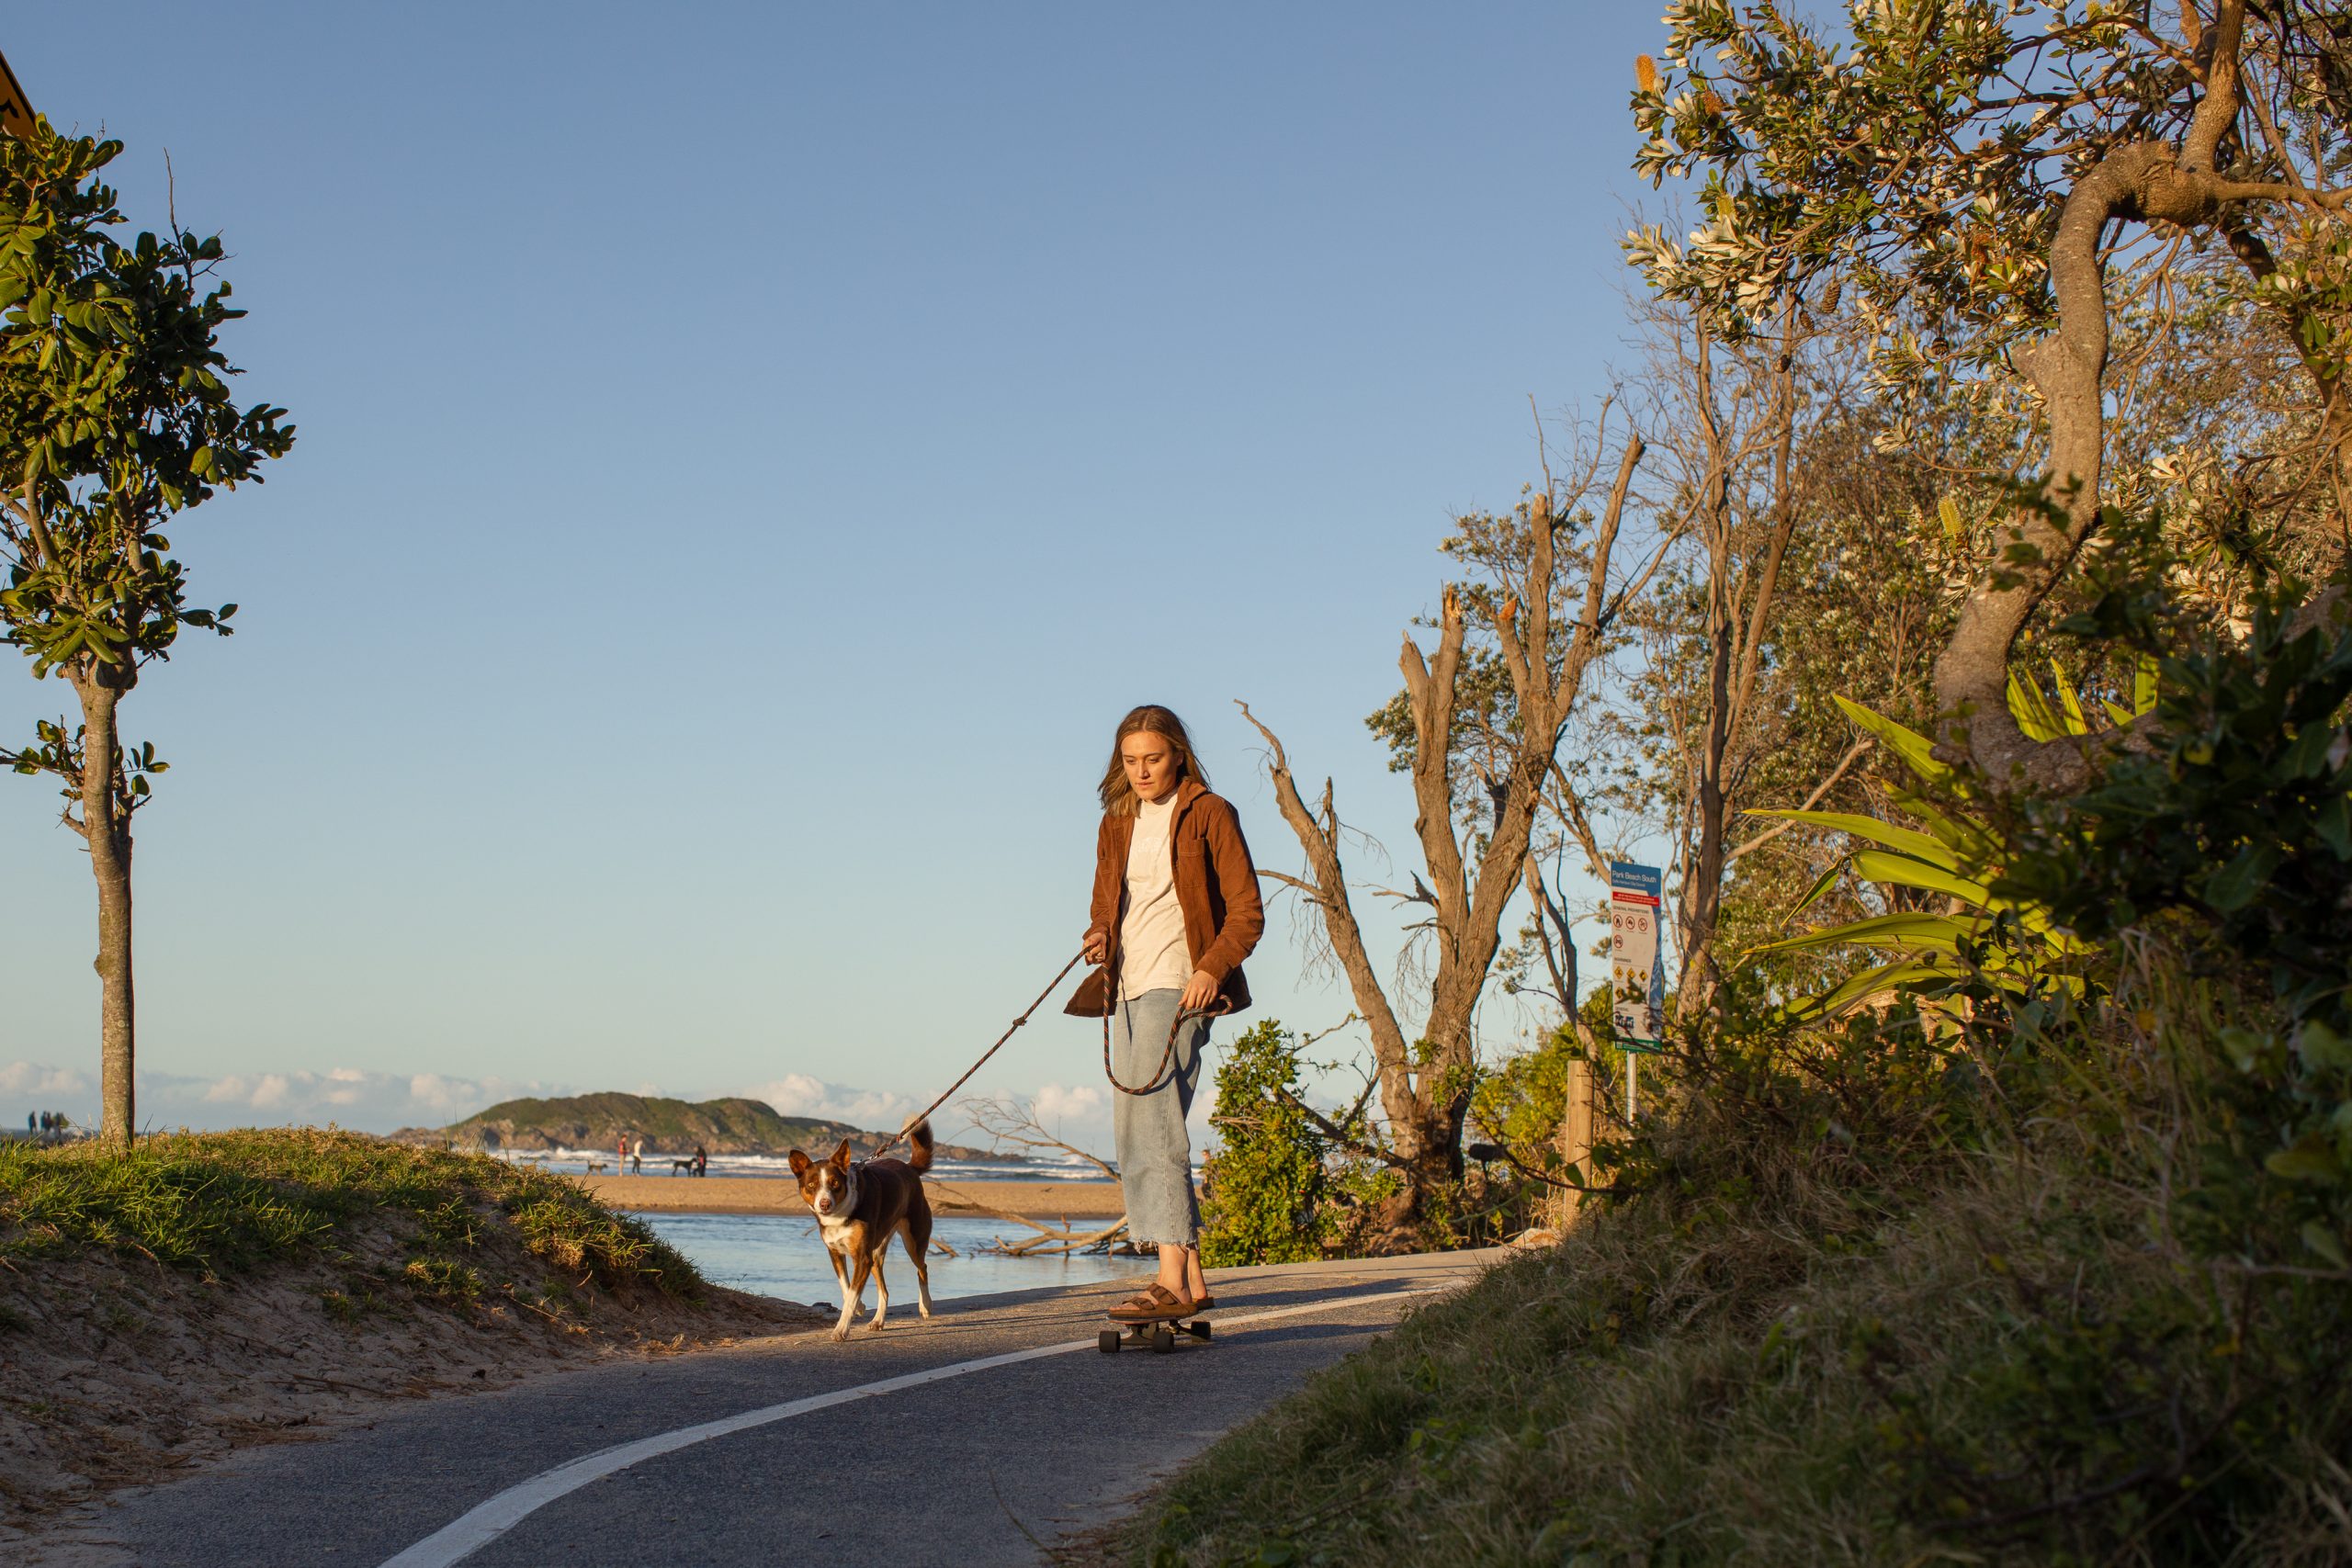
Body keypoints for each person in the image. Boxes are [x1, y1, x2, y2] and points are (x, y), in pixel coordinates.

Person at [1068, 704, 1263, 1321]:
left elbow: (1247, 912)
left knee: (1154, 1128)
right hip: (1125, 984)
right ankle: (1194, 1278)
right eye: (1131, 760)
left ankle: (1170, 1280)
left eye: (1152, 757)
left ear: (1178, 752)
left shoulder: (1209, 812)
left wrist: (1211, 968)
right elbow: (1108, 902)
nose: (1142, 770)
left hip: (1180, 984)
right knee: (1137, 1126)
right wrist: (1100, 935)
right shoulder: (1117, 819)